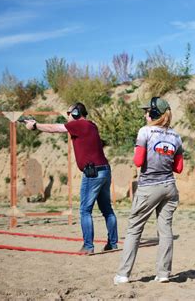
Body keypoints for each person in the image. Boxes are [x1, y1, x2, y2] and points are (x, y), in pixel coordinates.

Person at [24, 103, 118, 253]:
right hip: (105, 170)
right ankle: (113, 243)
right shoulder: (91, 125)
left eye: (69, 113)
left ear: (75, 113)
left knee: (85, 211)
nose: (67, 117)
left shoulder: (79, 125)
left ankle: (88, 246)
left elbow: (53, 128)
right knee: (107, 209)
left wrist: (35, 126)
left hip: (92, 173)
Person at [113, 97, 184, 285]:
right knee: (166, 230)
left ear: (153, 114)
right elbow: (179, 168)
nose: (145, 114)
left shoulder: (144, 132)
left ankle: (123, 274)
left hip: (148, 187)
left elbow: (137, 161)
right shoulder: (176, 136)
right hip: (169, 187)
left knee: (134, 229)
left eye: (147, 111)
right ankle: (163, 274)